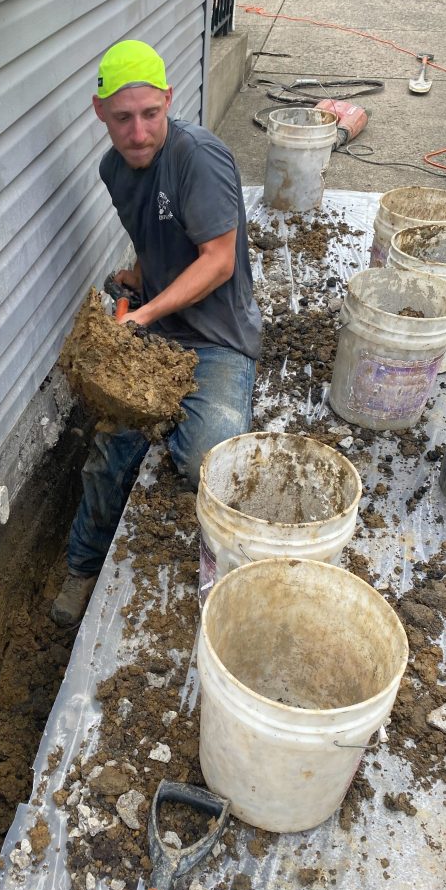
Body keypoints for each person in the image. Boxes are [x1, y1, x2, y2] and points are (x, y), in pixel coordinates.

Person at [51, 40, 261, 628]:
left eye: (150, 114)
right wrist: (135, 283)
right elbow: (153, 237)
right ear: (100, 113)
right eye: (122, 118)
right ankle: (82, 567)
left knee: (207, 463)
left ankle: (175, 435)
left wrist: (138, 318)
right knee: (108, 448)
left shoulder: (201, 159)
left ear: (169, 100)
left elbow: (217, 260)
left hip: (217, 337)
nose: (138, 132)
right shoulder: (113, 169)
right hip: (159, 327)